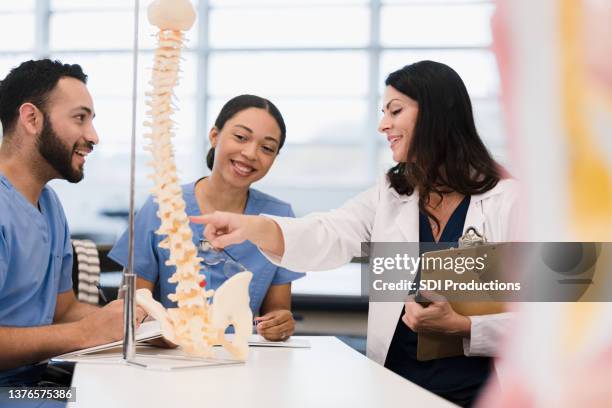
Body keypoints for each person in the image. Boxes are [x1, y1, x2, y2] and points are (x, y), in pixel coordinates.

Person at [191, 61, 519, 407]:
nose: (383, 125)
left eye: (395, 110)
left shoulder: (508, 200)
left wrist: (465, 327)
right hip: (395, 391)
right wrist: (252, 227)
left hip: (480, 396)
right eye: (383, 112)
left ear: (438, 112)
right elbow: (330, 232)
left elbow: (561, 321)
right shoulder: (393, 195)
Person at [109, 95, 304, 341]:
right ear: (214, 136)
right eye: (241, 137)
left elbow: (277, 309)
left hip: (240, 359)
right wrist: (165, 334)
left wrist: (280, 323)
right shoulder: (163, 206)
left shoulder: (279, 218)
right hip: (168, 355)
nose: (251, 153)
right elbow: (132, 307)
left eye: (267, 148)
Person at [0, 59, 145, 388]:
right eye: (80, 118)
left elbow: (63, 310)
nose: (93, 136)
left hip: (33, 387)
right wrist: (83, 334)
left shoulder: (49, 204)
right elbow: (74, 329)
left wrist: (138, 326)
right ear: (31, 118)